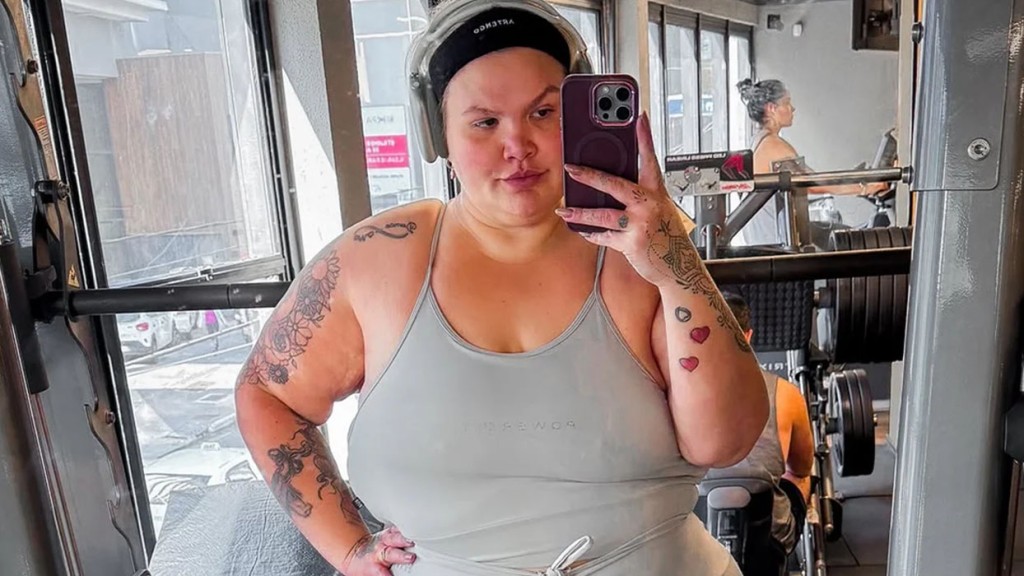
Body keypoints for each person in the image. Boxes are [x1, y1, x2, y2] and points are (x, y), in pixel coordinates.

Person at [234, 1, 768, 574]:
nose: (518, 145)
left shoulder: (644, 250)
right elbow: (267, 393)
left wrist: (676, 268)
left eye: (544, 112)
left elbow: (723, 442)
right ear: (438, 133)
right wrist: (348, 549)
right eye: (485, 122)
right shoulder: (376, 259)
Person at [736, 79, 890, 246]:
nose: (792, 108)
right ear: (771, 108)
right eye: (786, 103)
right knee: (853, 242)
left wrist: (857, 181)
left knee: (839, 233)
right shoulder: (773, 146)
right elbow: (813, 183)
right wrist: (865, 188)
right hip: (777, 244)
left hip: (770, 238)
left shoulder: (758, 141)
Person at [721, 292, 814, 565]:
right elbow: (801, 468)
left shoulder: (672, 397)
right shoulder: (786, 394)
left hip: (695, 537)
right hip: (765, 545)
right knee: (800, 477)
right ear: (748, 336)